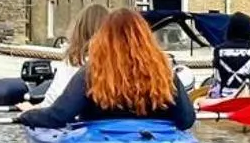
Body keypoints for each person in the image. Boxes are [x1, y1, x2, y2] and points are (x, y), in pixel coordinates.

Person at [17, 7, 197, 130]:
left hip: (101, 140)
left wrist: (27, 116)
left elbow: (58, 116)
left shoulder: (92, 72)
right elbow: (187, 119)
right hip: (156, 140)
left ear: (105, 38)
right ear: (146, 37)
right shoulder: (164, 72)